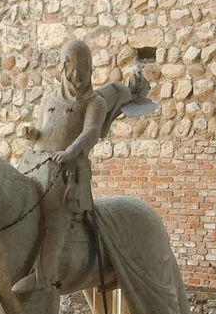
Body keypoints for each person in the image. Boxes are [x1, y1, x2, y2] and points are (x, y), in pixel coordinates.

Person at [12, 39, 131, 294]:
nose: (77, 76)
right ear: (63, 69)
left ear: (90, 70)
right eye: (72, 70)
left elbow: (91, 133)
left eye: (83, 70)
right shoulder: (50, 99)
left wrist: (70, 152)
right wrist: (32, 133)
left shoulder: (94, 102)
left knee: (56, 214)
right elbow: (45, 132)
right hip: (37, 162)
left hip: (69, 170)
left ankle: (42, 275)